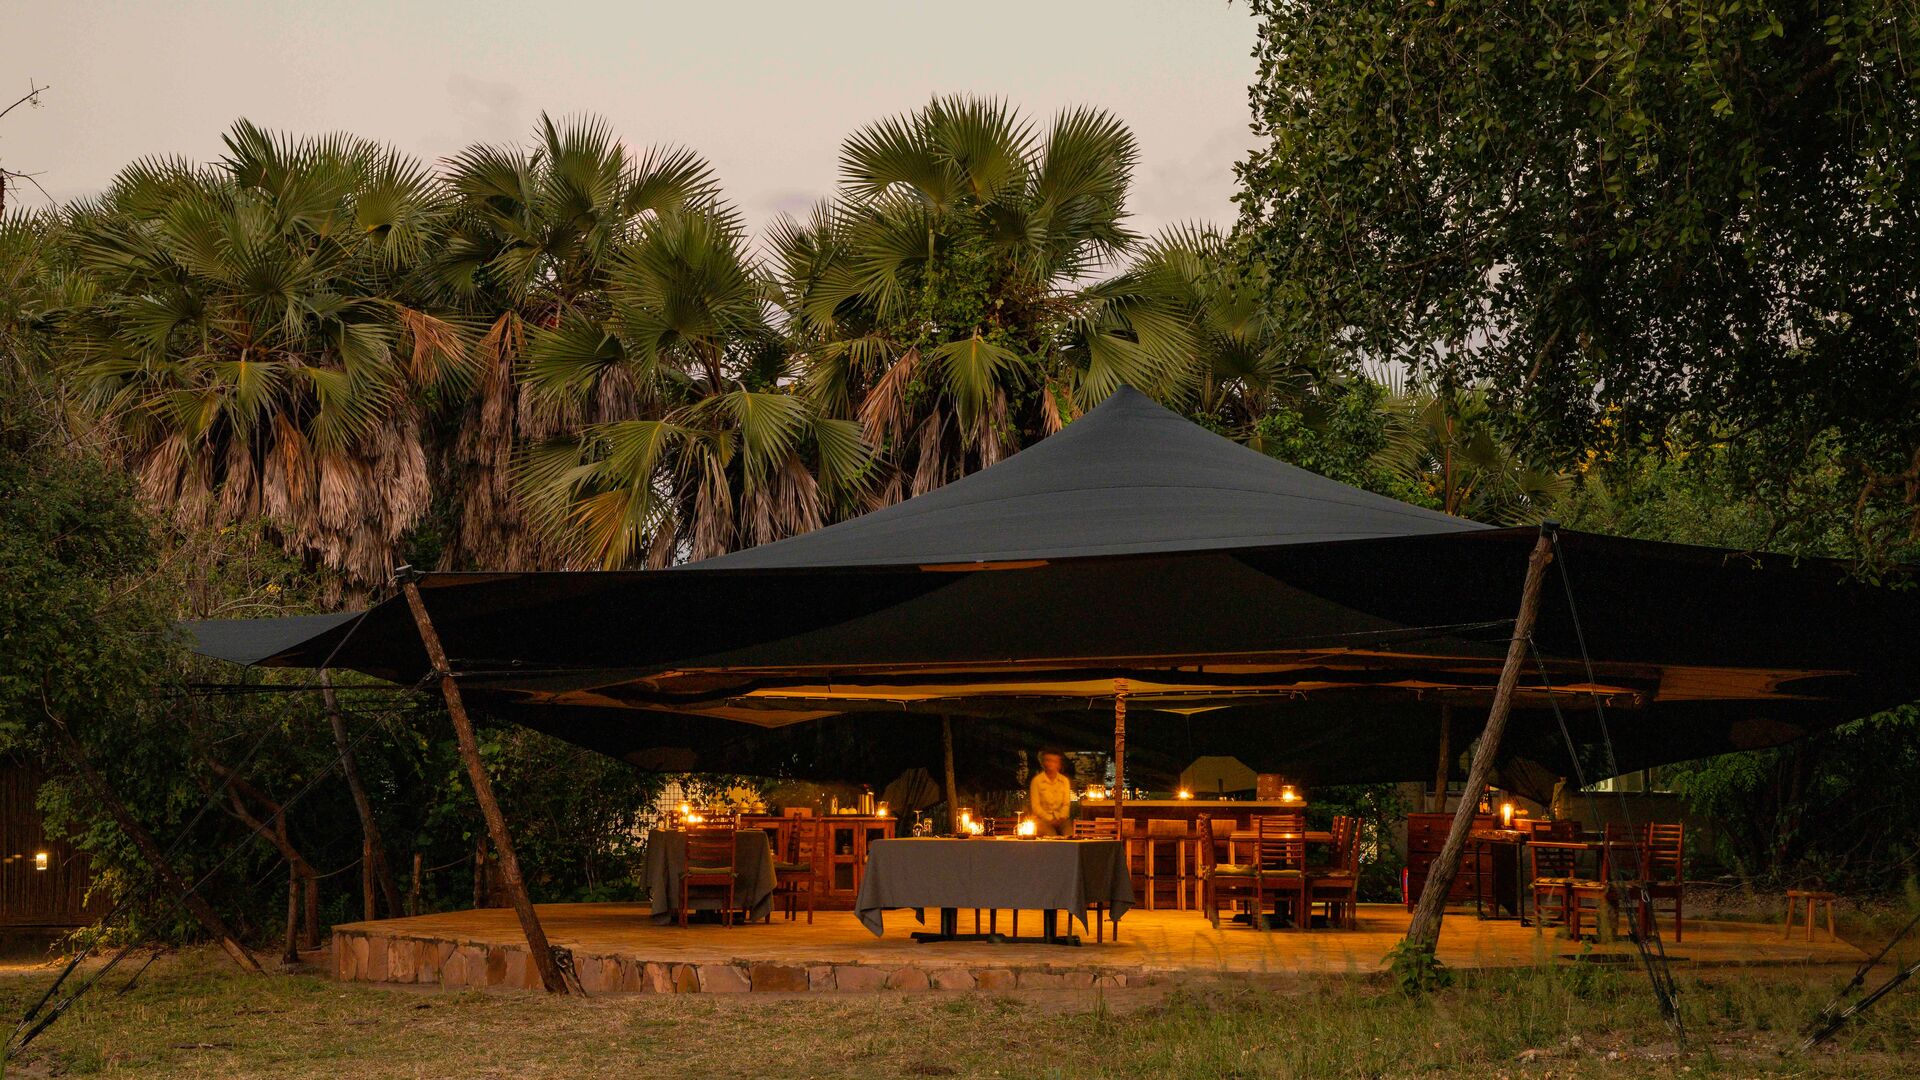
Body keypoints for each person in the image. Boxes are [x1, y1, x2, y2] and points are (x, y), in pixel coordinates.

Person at [1028, 749, 1074, 837]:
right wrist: (1050, 819)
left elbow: (1066, 804)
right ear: (1043, 763)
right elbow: (1036, 807)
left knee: (1069, 835)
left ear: (1059, 764)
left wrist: (1061, 817)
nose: (1051, 764)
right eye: (1048, 760)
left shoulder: (1064, 781)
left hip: (1061, 819)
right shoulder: (1037, 781)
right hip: (1043, 819)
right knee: (1051, 837)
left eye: (1054, 761)